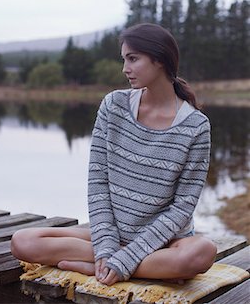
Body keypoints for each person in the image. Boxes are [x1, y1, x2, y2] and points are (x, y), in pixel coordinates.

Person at [11, 23, 217, 286]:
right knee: (22, 241)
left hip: (165, 240)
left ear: (160, 60)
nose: (125, 69)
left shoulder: (196, 125)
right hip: (113, 233)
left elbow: (182, 207)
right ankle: (138, 267)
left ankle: (99, 266)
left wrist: (129, 257)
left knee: (202, 253)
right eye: (124, 59)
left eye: (133, 59)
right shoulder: (114, 105)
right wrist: (108, 246)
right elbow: (98, 182)